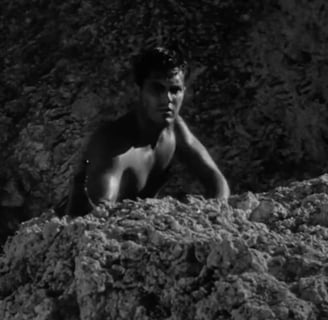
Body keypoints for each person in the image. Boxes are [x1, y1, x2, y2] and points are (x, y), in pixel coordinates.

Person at [65, 46, 230, 216]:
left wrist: (213, 215)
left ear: (183, 92)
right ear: (139, 91)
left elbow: (217, 181)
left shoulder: (174, 129)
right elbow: (95, 215)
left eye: (174, 90)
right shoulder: (114, 146)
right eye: (157, 89)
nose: (167, 100)